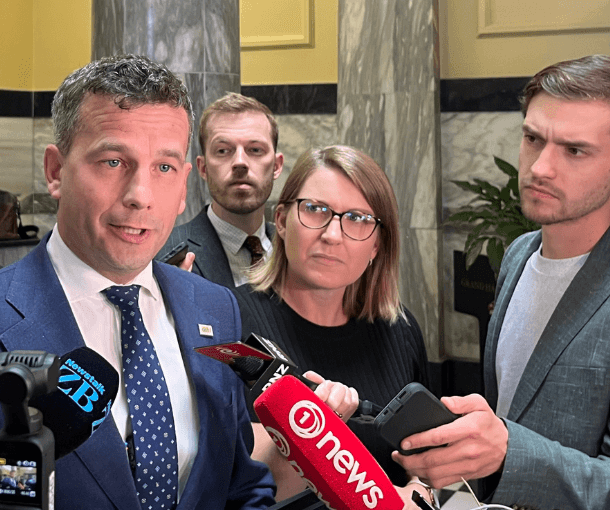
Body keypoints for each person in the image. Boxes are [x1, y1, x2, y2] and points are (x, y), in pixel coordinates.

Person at [0, 55, 276, 510]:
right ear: (56, 172)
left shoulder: (214, 308)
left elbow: (239, 483)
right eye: (113, 162)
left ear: (185, 185)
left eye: (164, 167)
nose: (140, 196)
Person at [394, 54, 610, 510]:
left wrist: (509, 453)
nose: (540, 167)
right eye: (533, 139)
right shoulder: (518, 254)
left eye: (574, 150)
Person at [232, 146, 431, 503]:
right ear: (280, 220)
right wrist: (312, 433)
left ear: (377, 245)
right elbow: (234, 473)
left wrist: (422, 495)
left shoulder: (401, 331)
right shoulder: (229, 321)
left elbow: (427, 461)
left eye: (357, 218)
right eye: (315, 210)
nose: (332, 234)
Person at [157, 92, 283, 288]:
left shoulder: (298, 250)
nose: (240, 162)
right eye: (223, 151)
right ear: (203, 168)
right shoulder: (163, 253)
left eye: (255, 150)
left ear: (276, 166)